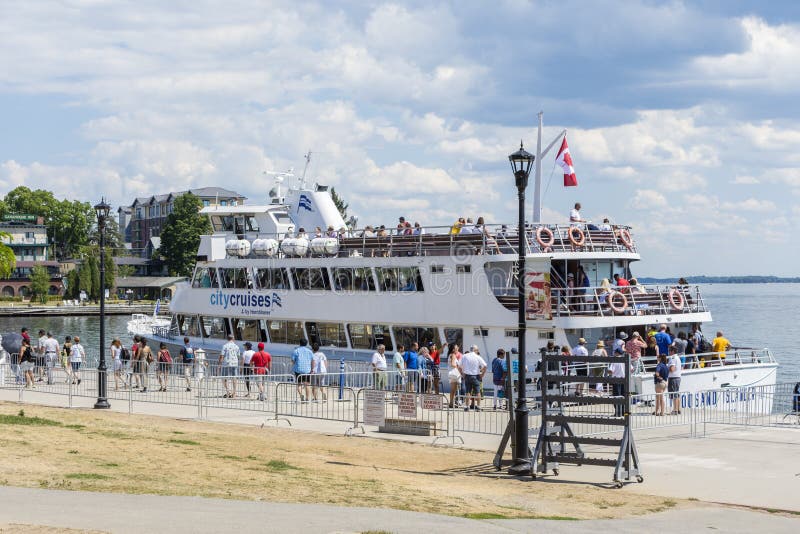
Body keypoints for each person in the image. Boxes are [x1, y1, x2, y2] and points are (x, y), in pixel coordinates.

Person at [458, 345, 487, 411]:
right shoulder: (477, 357)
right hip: (476, 376)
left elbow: (459, 366)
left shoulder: (465, 356)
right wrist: (482, 374)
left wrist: (462, 374)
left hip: (467, 375)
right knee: (478, 392)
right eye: (477, 350)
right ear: (475, 350)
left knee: (468, 391)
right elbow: (485, 366)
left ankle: (467, 406)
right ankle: (478, 406)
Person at [608, 348, 627, 416]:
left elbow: (611, 371)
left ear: (616, 353)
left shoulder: (615, 360)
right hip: (624, 380)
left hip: (616, 380)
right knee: (623, 396)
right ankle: (623, 412)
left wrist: (608, 371)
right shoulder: (625, 359)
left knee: (616, 396)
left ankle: (618, 412)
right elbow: (631, 369)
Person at [667, 347, 682, 415]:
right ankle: (678, 409)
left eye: (669, 350)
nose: (668, 352)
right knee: (677, 394)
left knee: (674, 394)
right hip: (677, 377)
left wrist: (665, 369)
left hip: (673, 377)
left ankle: (675, 410)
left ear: (672, 351)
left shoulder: (672, 358)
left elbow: (672, 369)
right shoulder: (677, 357)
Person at [447, 344, 463, 408]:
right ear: (453, 349)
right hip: (454, 373)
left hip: (451, 373)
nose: (457, 349)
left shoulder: (450, 355)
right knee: (454, 390)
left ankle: (451, 403)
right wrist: (458, 367)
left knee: (453, 390)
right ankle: (451, 403)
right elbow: (453, 364)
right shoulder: (453, 355)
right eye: (456, 348)